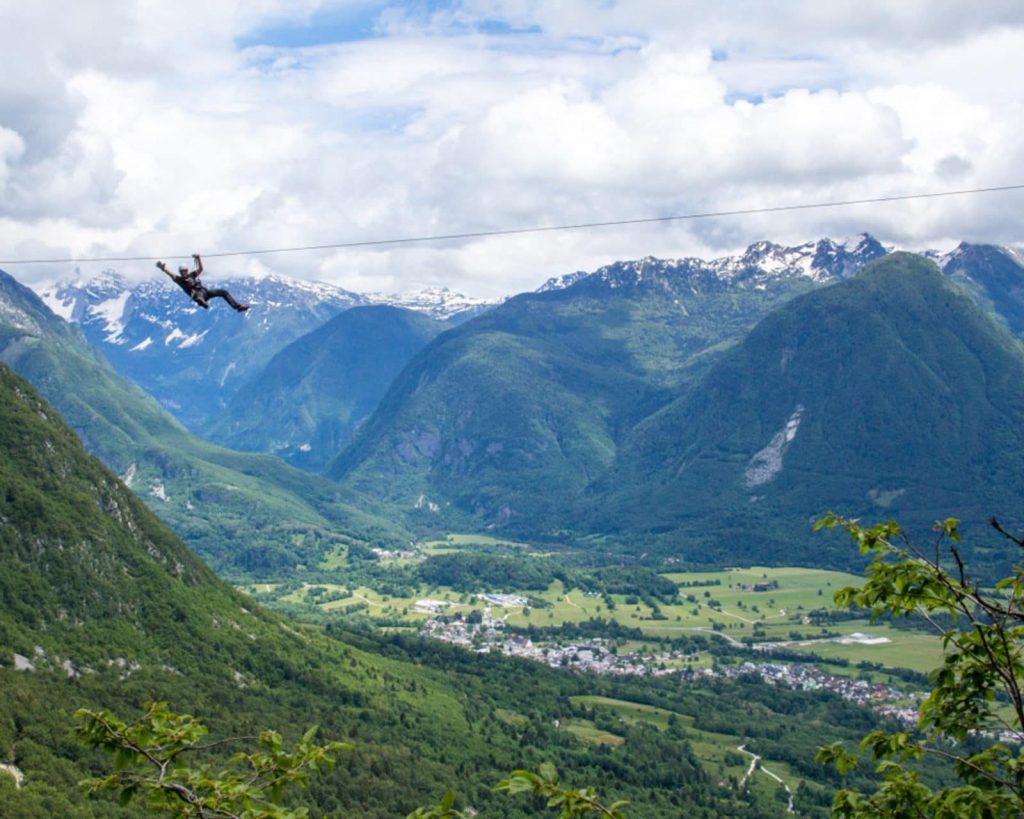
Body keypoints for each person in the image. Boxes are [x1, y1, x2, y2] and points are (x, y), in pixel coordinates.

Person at [156, 254, 249, 312]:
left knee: (223, 292)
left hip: (206, 292)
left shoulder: (192, 275)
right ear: (180, 272)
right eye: (182, 271)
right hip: (197, 294)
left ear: (187, 270)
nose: (183, 272)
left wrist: (199, 259)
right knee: (198, 296)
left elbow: (201, 269)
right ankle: (202, 302)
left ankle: (237, 306)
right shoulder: (180, 280)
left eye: (185, 271)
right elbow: (171, 275)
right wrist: (163, 268)